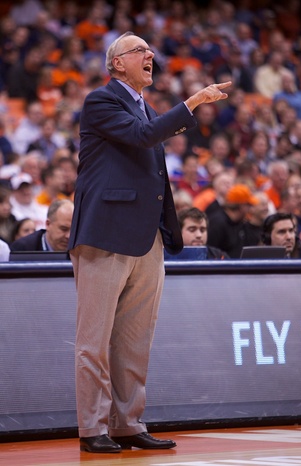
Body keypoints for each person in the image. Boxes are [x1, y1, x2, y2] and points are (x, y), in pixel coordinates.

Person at [67, 31, 231, 454]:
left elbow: (156, 175)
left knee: (134, 339)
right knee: (95, 340)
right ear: (117, 63)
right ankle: (93, 428)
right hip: (104, 233)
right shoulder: (101, 101)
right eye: (140, 50)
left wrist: (166, 227)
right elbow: (143, 137)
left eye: (150, 50)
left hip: (146, 237)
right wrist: (193, 102)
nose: (150, 55)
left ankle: (127, 422)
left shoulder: (148, 109)